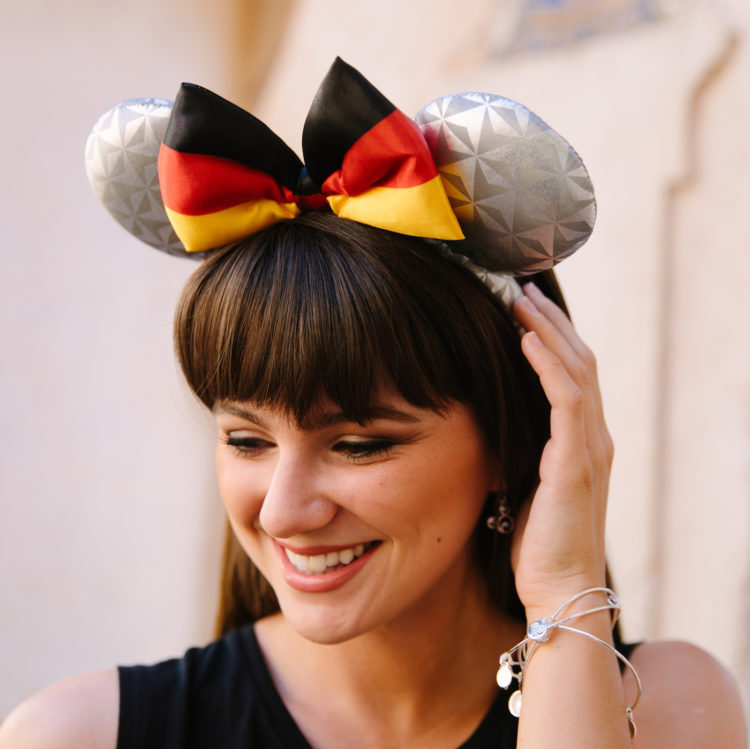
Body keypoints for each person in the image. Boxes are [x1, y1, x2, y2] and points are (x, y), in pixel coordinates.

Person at [1, 60, 745, 749]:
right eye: (246, 439)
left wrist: (564, 590)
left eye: (358, 445)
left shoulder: (669, 708)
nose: (282, 512)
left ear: (517, 444)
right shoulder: (76, 735)